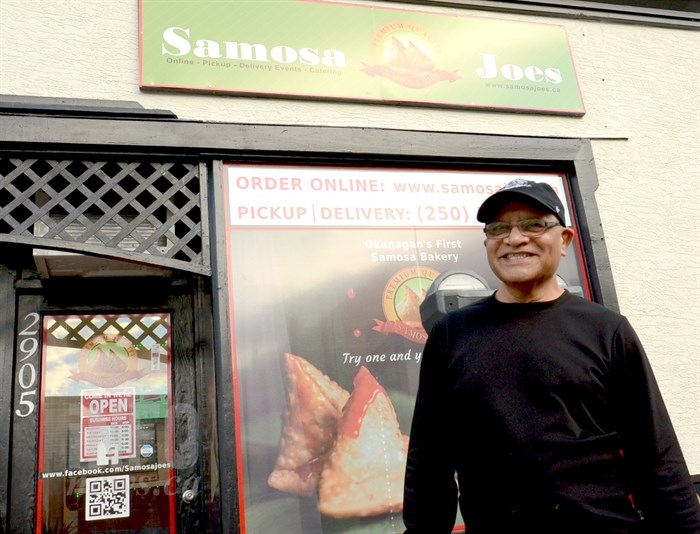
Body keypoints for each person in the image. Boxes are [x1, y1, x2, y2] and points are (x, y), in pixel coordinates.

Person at [403, 179, 700, 533]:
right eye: (499, 228)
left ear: (565, 241)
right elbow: (430, 460)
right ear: (487, 243)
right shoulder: (452, 335)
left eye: (533, 225)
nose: (514, 238)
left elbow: (655, 454)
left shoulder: (606, 330)